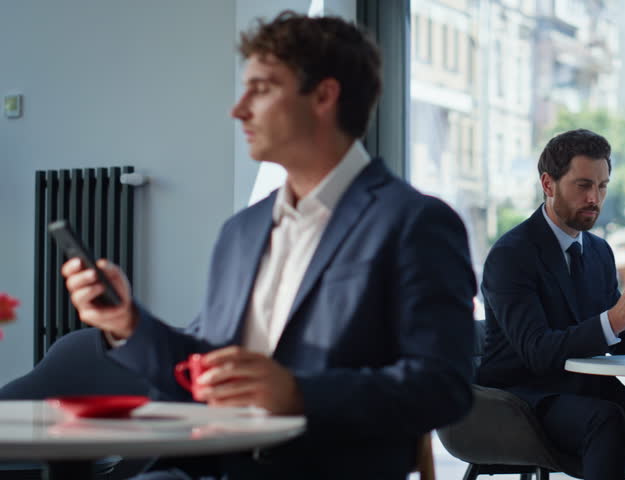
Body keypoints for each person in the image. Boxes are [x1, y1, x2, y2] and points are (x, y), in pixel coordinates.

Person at [61, 11, 476, 479]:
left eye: (261, 88)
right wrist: (127, 322)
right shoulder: (241, 232)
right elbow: (203, 370)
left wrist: (300, 392)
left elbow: (445, 387)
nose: (238, 109)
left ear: (323, 95)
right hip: (209, 467)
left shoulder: (413, 222)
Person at [477, 129, 625, 480]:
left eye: (603, 186)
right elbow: (538, 351)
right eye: (583, 185)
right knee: (606, 419)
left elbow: (611, 333)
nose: (595, 198)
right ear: (548, 184)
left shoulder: (599, 251)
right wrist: (615, 319)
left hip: (590, 394)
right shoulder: (511, 255)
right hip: (523, 400)